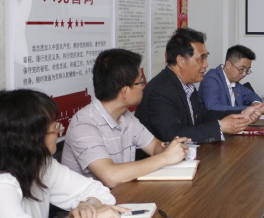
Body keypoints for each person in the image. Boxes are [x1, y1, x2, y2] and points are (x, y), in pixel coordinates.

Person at [0, 89, 127, 218]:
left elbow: (97, 189)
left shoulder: (41, 164)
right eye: (55, 127)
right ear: (30, 138)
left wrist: (88, 205)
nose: (60, 132)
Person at [62, 49, 190, 188]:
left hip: (121, 194)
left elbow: (154, 147)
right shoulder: (84, 125)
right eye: (140, 82)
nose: (144, 86)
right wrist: (165, 157)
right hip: (90, 201)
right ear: (124, 91)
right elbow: (111, 177)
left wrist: (170, 148)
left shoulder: (126, 117)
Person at [135, 28, 264, 144]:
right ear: (180, 60)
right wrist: (220, 127)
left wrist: (242, 113)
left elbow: (203, 116)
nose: (206, 64)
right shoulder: (160, 90)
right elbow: (173, 135)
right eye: (201, 58)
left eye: (206, 58)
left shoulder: (187, 86)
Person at [200, 45, 264, 111]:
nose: (244, 74)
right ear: (228, 65)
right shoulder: (211, 80)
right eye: (241, 69)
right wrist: (250, 109)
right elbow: (213, 107)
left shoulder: (235, 82)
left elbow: (252, 95)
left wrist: (257, 103)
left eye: (247, 70)